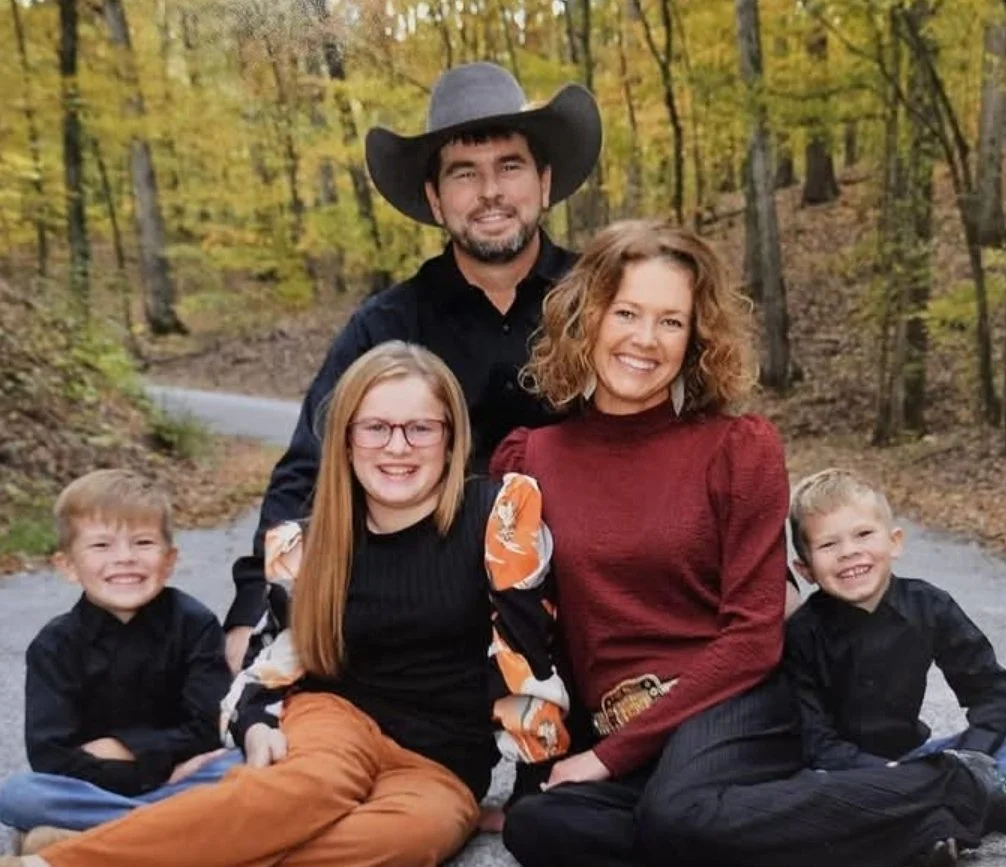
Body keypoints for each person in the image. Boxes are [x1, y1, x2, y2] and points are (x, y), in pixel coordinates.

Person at [490, 219, 1004, 867]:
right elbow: (522, 623)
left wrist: (607, 757)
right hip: (625, 726)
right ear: (588, 313)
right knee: (540, 825)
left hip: (735, 704)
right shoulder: (531, 457)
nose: (645, 339)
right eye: (627, 312)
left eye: (671, 321)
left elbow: (753, 636)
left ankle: (949, 783)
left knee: (678, 814)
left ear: (695, 337)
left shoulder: (737, 448)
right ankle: (847, 822)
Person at [0, 341, 569, 867]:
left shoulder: (498, 516)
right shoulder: (307, 540)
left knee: (409, 838)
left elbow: (531, 658)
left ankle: (143, 844)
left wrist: (531, 789)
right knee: (300, 793)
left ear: (451, 437)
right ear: (346, 438)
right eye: (375, 428)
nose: (397, 447)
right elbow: (272, 656)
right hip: (335, 718)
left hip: (442, 760)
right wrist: (251, 723)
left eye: (420, 428)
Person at [224, 61, 603, 674]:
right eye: (464, 174)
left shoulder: (606, 303)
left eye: (510, 166)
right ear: (434, 197)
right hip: (427, 615)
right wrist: (252, 609)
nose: (490, 193)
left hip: (592, 603)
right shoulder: (386, 326)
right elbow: (309, 471)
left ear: (544, 179)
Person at [0, 470, 239, 849]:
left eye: (143, 542)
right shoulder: (54, 646)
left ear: (170, 559)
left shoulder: (195, 624)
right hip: (120, 787)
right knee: (17, 793)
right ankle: (164, 832)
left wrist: (124, 748)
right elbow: (51, 755)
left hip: (181, 778)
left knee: (239, 764)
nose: (125, 559)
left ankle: (93, 839)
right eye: (102, 546)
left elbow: (211, 726)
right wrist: (159, 769)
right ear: (67, 565)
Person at [785, 467, 1006, 774]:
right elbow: (816, 741)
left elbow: (992, 693)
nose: (849, 552)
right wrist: (892, 778)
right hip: (843, 773)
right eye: (828, 544)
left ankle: (953, 795)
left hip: (916, 757)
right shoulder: (802, 634)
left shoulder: (930, 606)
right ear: (805, 569)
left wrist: (970, 758)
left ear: (895, 542)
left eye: (863, 534)